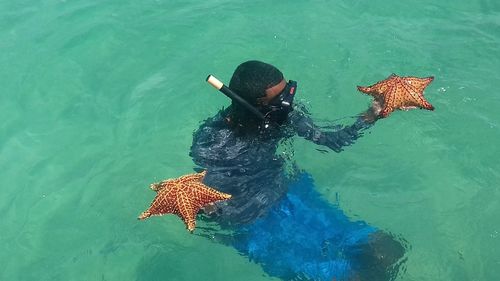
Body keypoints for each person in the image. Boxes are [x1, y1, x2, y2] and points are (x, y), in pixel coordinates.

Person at [190, 60, 405, 281]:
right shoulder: (213, 141)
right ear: (256, 105)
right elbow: (207, 199)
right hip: (255, 221)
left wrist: (372, 114)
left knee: (387, 250)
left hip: (291, 193)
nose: (288, 103)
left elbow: (333, 140)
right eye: (280, 99)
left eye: (287, 92)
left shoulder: (282, 116)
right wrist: (210, 209)